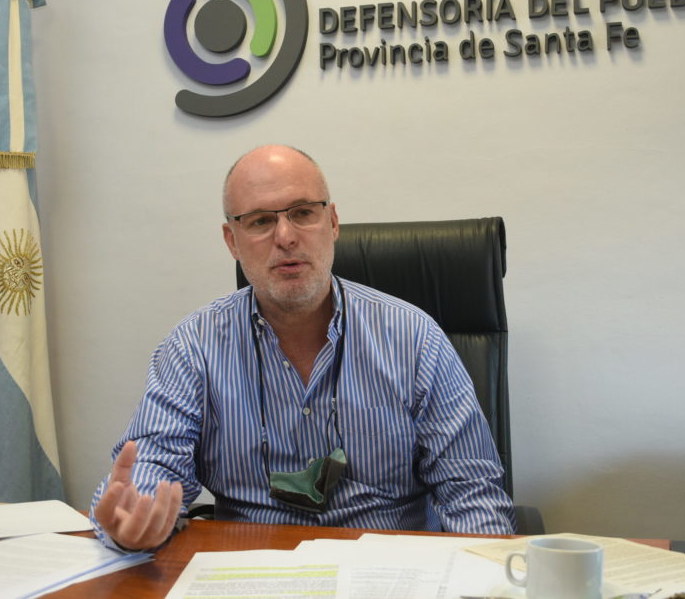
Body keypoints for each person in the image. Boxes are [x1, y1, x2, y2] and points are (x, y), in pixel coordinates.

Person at [90, 145, 515, 550]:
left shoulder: (414, 339)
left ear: (333, 222)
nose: (286, 236)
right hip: (249, 573)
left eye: (303, 213)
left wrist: (484, 581)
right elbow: (153, 465)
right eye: (260, 221)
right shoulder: (193, 348)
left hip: (389, 574)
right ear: (232, 240)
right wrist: (132, 519)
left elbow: (471, 493)